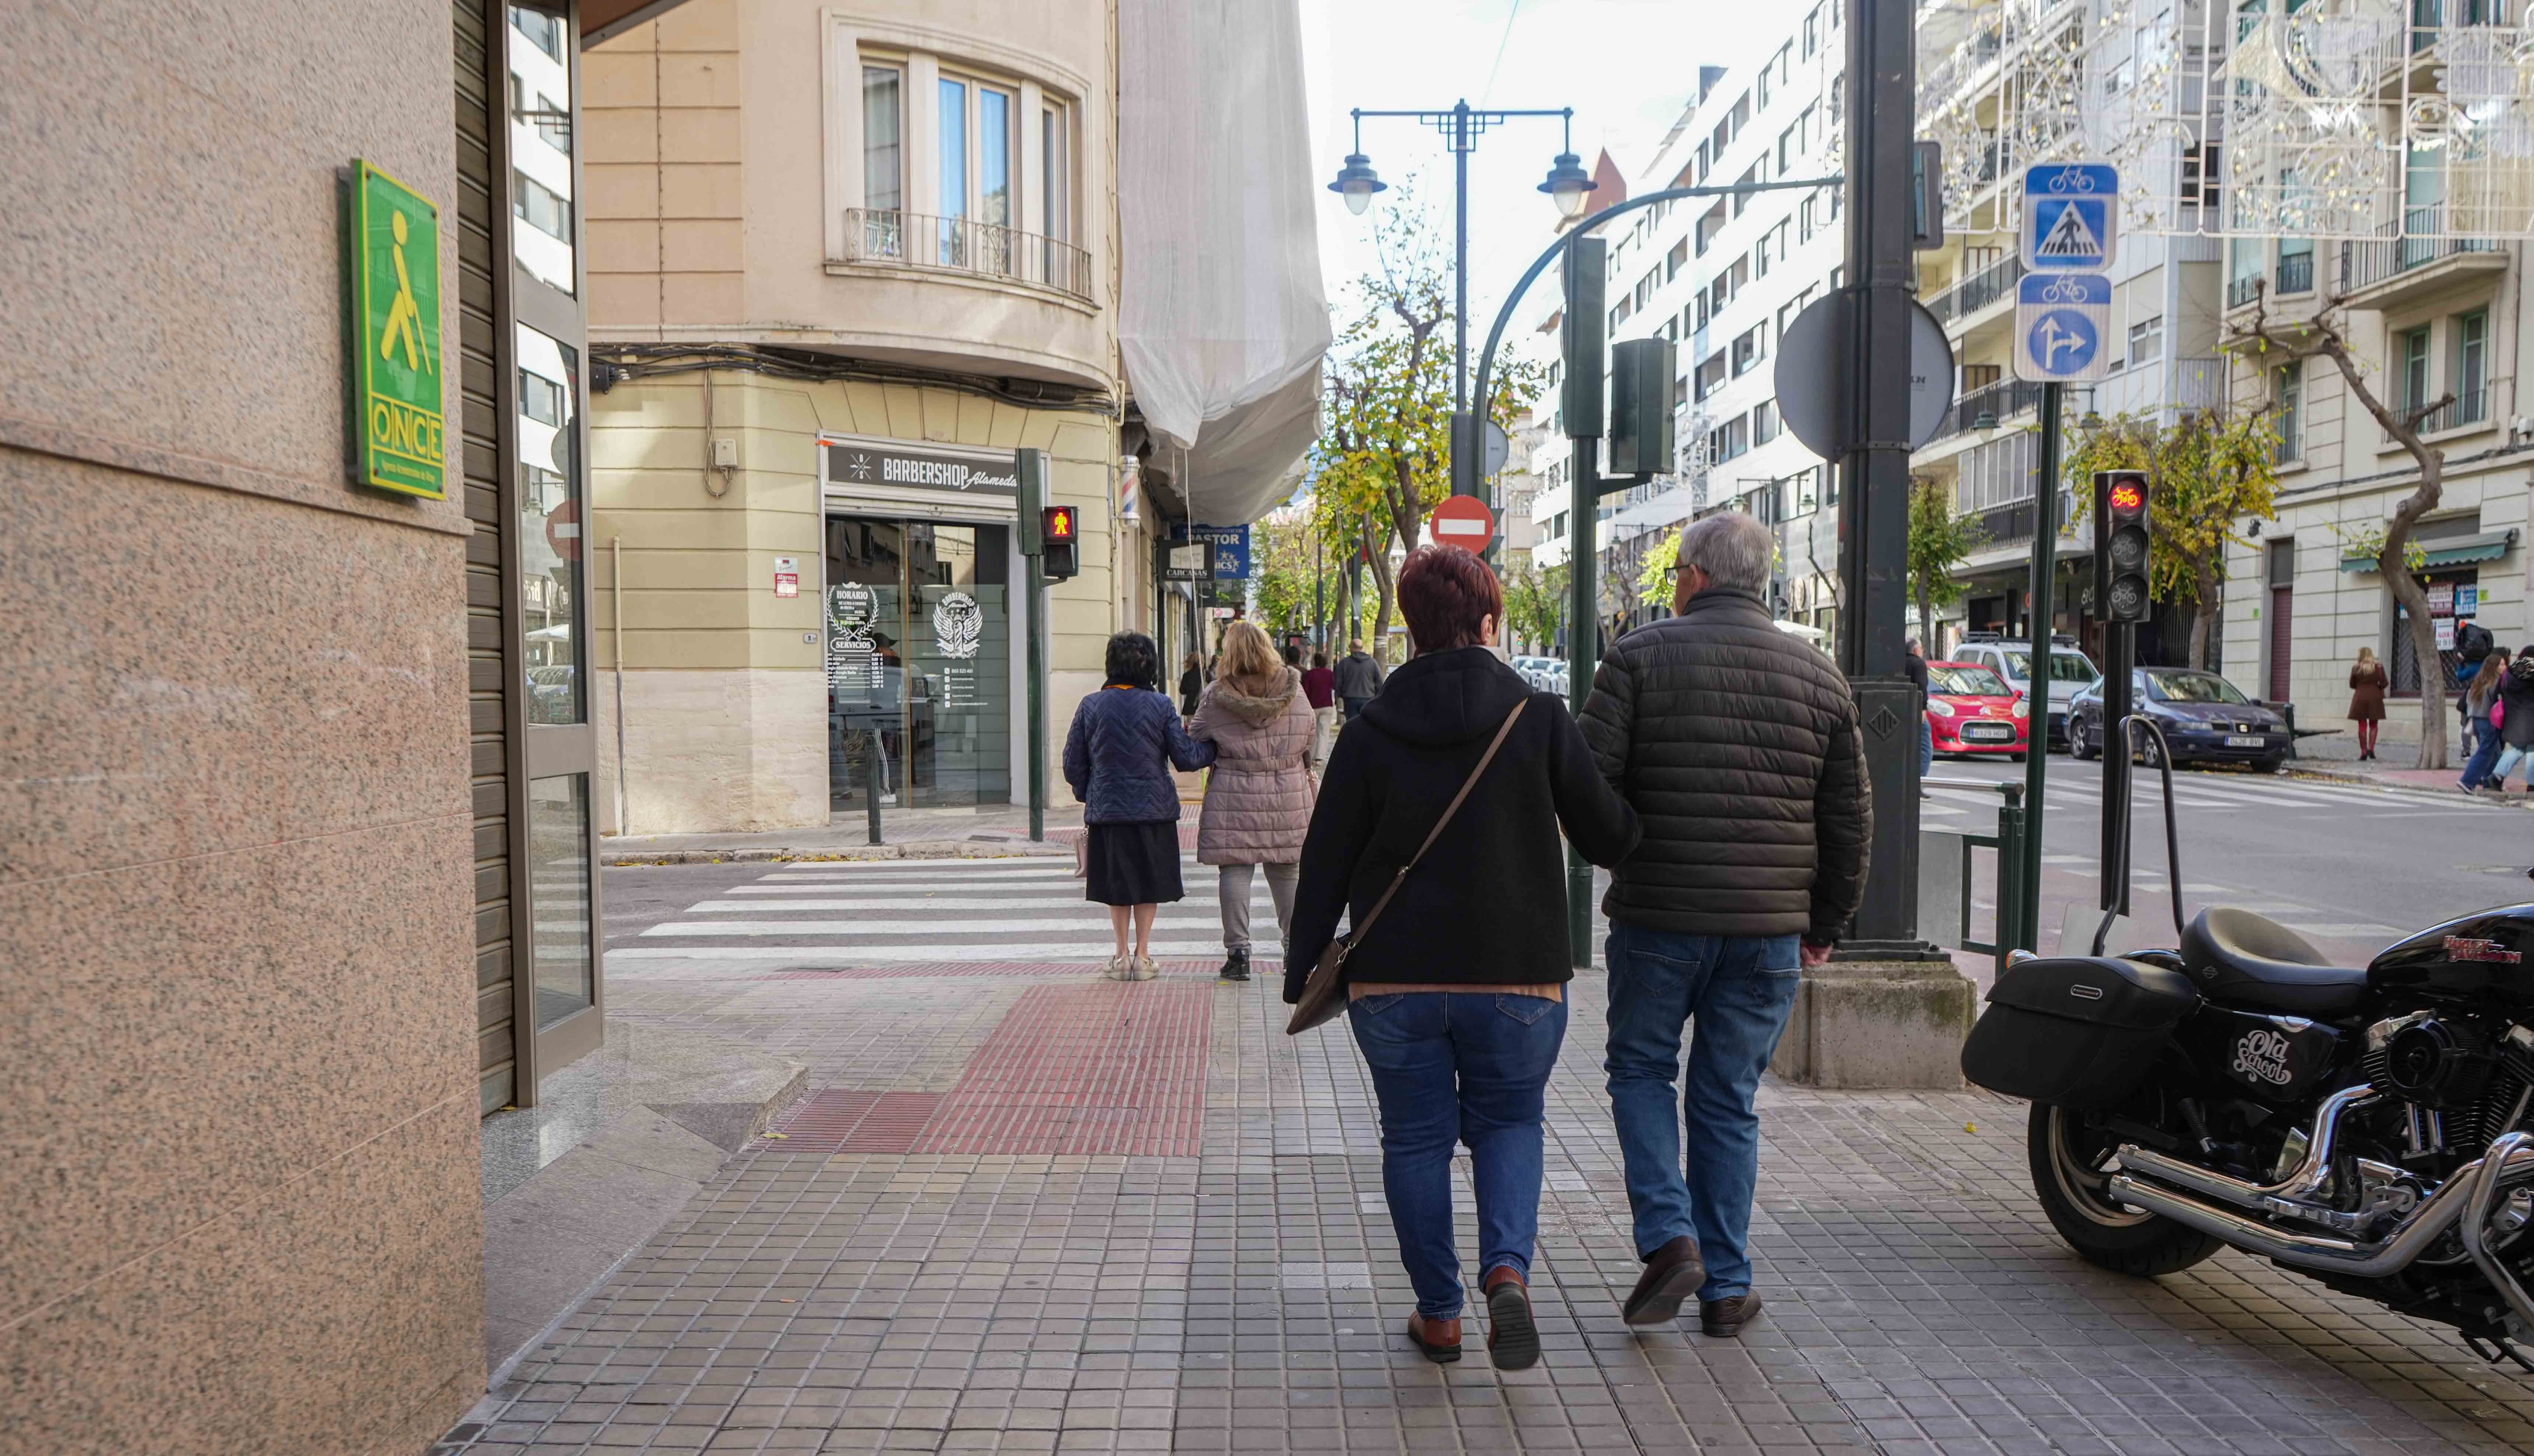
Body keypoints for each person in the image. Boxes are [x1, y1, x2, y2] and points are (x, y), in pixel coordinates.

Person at [1287, 545, 1638, 1372]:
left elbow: (1326, 858)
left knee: (1413, 1140)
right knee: (1510, 1122)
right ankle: (1507, 1272)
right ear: (1488, 623)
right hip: (1518, 972)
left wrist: (1302, 966)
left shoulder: (1370, 730)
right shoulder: (1540, 717)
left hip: (1393, 977)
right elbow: (1608, 836)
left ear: (1409, 628)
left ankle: (1439, 1314)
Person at [1578, 509, 1870, 1340]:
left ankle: (1670, 1239)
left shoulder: (1637, 657)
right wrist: (1825, 921)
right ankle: (1727, 1285)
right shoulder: (1820, 675)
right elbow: (1850, 816)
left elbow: (1588, 787)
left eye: (1676, 572)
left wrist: (1629, 855)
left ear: (1695, 576)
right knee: (1726, 1097)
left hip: (1659, 919)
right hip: (1768, 930)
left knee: (1640, 1070)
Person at [1064, 632, 1216, 980]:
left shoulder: (1091, 705)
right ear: (1150, 666)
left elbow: (1073, 763)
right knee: (1148, 882)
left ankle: (1120, 956)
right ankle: (1144, 956)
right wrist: (1214, 747)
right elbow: (1186, 757)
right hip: (1154, 811)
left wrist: (1089, 793)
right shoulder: (1161, 705)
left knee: (1118, 883)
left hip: (1108, 813)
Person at [1191, 621, 1318, 982]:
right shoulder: (1294, 689)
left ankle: (1239, 954)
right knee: (1287, 871)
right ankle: (1294, 950)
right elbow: (1309, 734)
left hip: (1234, 791)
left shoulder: (1217, 695)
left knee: (1234, 869)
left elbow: (1197, 735)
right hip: (1287, 793)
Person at [2459, 648, 2512, 792]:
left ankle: (2489, 782)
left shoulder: (2479, 681)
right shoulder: (2495, 683)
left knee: (2495, 753)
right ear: (2494, 667)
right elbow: (2500, 702)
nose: (2504, 667)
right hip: (2488, 721)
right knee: (2484, 752)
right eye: (2501, 665)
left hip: (2476, 719)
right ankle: (2467, 781)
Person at [2483, 651, 2534, 793]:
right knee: (2532, 750)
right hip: (2530, 721)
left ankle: (2496, 777)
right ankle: (2532, 785)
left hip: (2513, 721)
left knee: (2517, 750)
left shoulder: (2508, 675)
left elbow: (2496, 695)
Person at [2348, 646, 2389, 761]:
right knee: (2374, 724)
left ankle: (2364, 752)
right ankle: (2371, 748)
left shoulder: (2356, 669)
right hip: (2375, 698)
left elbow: (2352, 685)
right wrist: (2377, 688)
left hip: (2360, 698)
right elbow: (2385, 683)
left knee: (2362, 725)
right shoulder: (2379, 667)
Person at [1332, 637, 1386, 722]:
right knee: (1366, 723)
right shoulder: (1372, 663)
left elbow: (1338, 683)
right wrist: (1377, 698)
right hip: (1368, 698)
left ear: (1351, 648)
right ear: (1362, 648)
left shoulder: (1344, 663)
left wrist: (1339, 696)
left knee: (1352, 723)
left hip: (1350, 699)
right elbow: (1379, 682)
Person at [1301, 648, 1337, 766]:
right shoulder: (1330, 674)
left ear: (1315, 662)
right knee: (1324, 731)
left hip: (1313, 706)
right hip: (1327, 705)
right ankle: (1320, 758)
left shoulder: (1310, 674)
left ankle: (1311, 755)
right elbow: (1333, 686)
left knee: (1312, 732)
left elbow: (1306, 690)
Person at [1905, 638, 1932, 787]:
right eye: (1922, 649)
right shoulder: (1919, 663)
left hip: (1903, 710)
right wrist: (1923, 708)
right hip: (1916, 710)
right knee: (1926, 746)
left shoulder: (1900, 662)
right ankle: (1919, 781)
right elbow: (1922, 686)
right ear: (1916, 650)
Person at [1177, 652, 1204, 720]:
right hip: (1203, 707)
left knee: (1191, 728)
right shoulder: (1205, 675)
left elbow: (1182, 691)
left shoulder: (1187, 675)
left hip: (1190, 708)